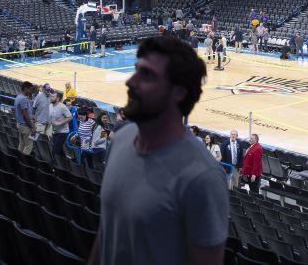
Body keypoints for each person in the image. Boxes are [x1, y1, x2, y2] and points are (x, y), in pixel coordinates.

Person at [89, 35, 228, 265]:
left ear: (179, 92)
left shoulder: (203, 178)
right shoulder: (121, 140)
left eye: (147, 75)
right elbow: (108, 231)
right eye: (136, 70)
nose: (130, 82)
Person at [14, 81, 37, 154]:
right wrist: (32, 127)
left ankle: (19, 159)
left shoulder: (18, 97)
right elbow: (25, 115)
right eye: (30, 89)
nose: (31, 91)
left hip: (20, 125)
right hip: (25, 126)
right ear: (26, 89)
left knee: (22, 144)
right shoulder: (23, 99)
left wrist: (31, 116)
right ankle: (24, 162)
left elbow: (24, 113)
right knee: (28, 146)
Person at [48, 90, 72, 156]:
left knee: (54, 151)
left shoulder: (62, 107)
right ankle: (66, 163)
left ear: (58, 98)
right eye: (51, 96)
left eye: (53, 97)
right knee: (60, 152)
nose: (51, 98)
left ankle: (53, 165)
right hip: (54, 131)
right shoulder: (50, 106)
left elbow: (70, 117)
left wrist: (60, 123)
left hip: (62, 132)